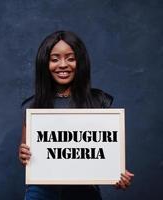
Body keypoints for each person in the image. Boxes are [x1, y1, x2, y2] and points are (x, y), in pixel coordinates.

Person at [18, 30, 134, 200]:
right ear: (45, 63)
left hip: (84, 192)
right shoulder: (33, 106)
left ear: (80, 63)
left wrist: (116, 173)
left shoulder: (98, 101)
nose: (63, 64)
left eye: (70, 58)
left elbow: (106, 151)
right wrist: (23, 155)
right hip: (41, 192)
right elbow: (26, 155)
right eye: (55, 59)